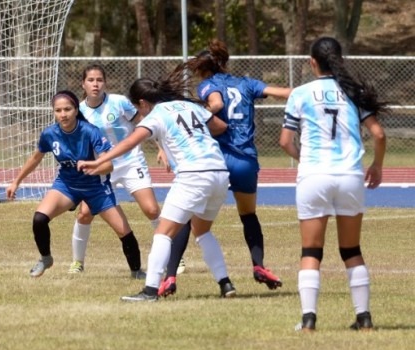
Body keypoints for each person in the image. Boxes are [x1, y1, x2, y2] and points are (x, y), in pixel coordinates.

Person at [78, 64, 236, 301]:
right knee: (202, 231)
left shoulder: (157, 115)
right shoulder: (190, 106)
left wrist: (101, 160)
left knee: (162, 233)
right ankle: (225, 284)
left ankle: (150, 290)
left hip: (194, 175)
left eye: (136, 107)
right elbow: (220, 127)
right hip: (219, 173)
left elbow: (130, 142)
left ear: (142, 103)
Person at [158, 39, 291, 297]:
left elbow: (217, 104)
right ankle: (259, 266)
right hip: (245, 161)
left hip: (216, 160)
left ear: (201, 69)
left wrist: (198, 115)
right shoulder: (247, 83)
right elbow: (283, 93)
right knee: (248, 215)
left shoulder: (208, 85)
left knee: (185, 216)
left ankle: (170, 276)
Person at [279, 36, 387, 331]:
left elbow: (285, 141)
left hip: (314, 176)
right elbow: (378, 135)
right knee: (351, 249)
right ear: (339, 59)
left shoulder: (300, 93)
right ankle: (364, 317)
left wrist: (304, 159)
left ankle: (308, 319)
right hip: (350, 175)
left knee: (311, 251)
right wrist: (376, 166)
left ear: (312, 62)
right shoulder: (354, 92)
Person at [6, 90, 146, 279]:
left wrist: (95, 167)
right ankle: (46, 258)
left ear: (75, 109)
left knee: (123, 231)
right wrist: (16, 181)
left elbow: (109, 164)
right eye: (58, 110)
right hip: (66, 185)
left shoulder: (90, 131)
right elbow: (35, 158)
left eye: (67, 109)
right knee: (39, 218)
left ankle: (137, 271)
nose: (63, 114)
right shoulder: (49, 134)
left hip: (96, 188)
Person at [70, 63, 189, 275]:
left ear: (105, 82)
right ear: (83, 84)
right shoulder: (79, 111)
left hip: (130, 161)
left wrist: (161, 147)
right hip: (102, 167)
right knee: (85, 214)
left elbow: (146, 123)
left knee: (151, 209)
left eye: (99, 80)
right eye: (91, 80)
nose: (95, 84)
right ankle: (77, 263)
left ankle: (173, 257)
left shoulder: (119, 102)